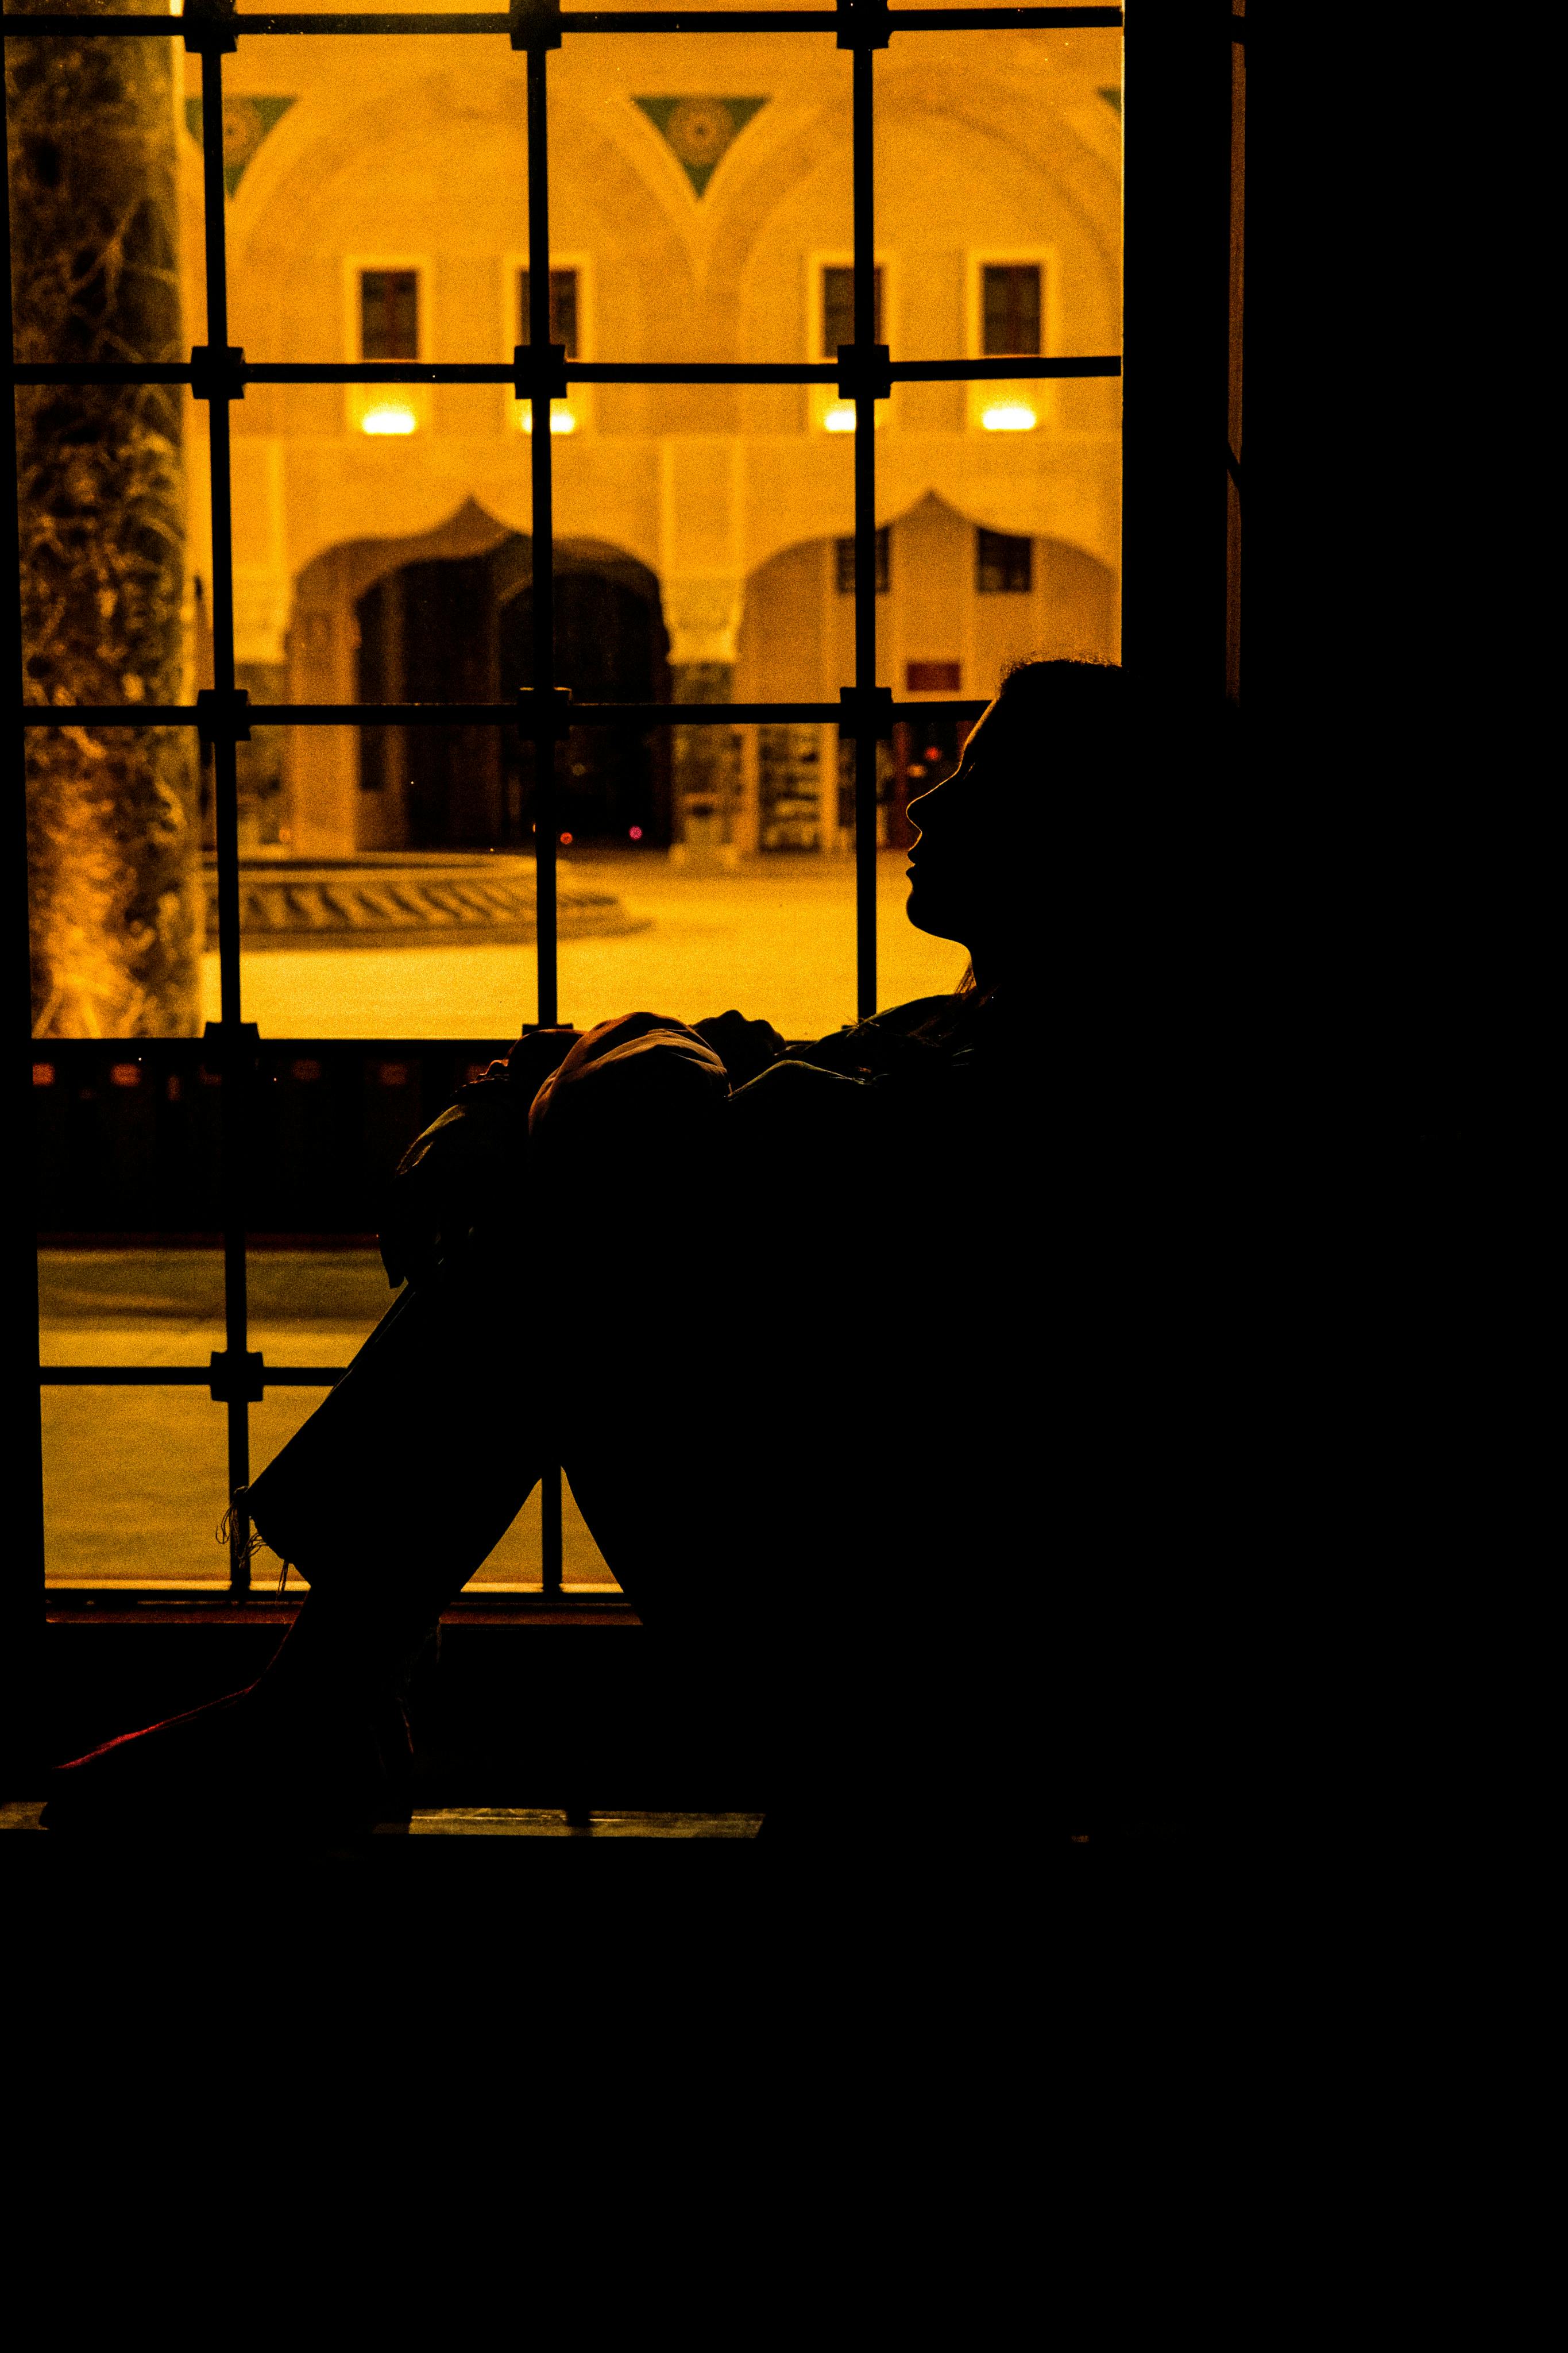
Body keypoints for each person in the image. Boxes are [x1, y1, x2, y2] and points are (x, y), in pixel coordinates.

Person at [43, 659, 1253, 1843]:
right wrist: (514, 1094)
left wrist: (538, 1107)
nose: (927, 801)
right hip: (888, 1596)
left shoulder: (1073, 1093)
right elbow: (707, 1053)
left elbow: (673, 1120)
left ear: (1086, 839)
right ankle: (327, 1701)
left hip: (954, 1649)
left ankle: (326, 1701)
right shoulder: (956, 1033)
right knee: (561, 1250)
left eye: (983, 780)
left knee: (557, 1266)